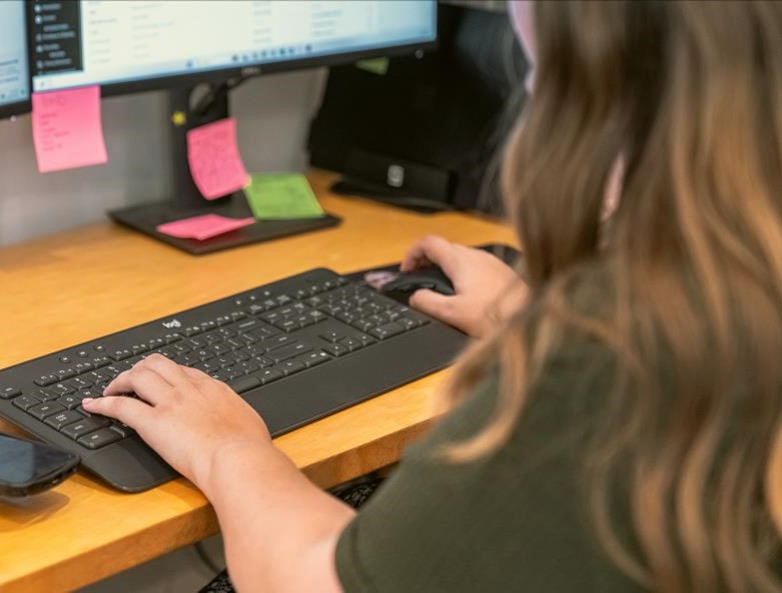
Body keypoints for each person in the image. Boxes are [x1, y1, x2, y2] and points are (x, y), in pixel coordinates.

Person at [82, 1, 782, 591]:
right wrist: (518, 320)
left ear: (599, 102)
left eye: (537, 70)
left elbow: (318, 579)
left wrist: (227, 448)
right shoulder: (728, 305)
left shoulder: (611, 358)